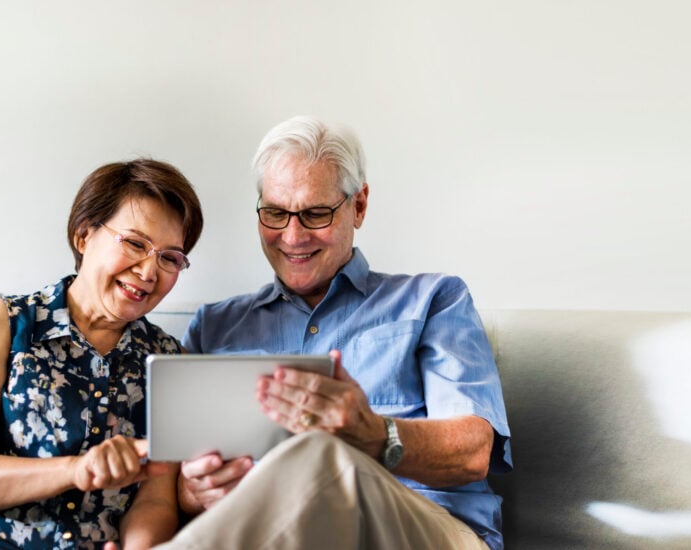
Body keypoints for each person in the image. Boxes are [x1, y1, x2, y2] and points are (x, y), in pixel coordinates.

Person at [160, 116, 512, 550]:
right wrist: (194, 494)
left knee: (320, 453)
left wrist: (376, 436)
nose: (292, 236)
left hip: (429, 532)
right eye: (274, 213)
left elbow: (473, 452)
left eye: (315, 213)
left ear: (359, 206)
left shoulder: (434, 301)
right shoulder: (214, 327)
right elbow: (169, 485)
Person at [0, 159, 204, 549]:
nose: (149, 271)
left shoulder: (168, 359)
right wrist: (76, 470)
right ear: (84, 236)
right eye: (136, 243)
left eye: (169, 257)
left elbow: (155, 500)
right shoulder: (5, 323)